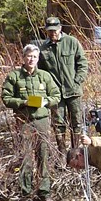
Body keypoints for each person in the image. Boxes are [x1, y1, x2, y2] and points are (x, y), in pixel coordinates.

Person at [1, 44, 61, 201]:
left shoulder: (45, 76)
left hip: (42, 121)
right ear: (23, 57)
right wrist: (22, 103)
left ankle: (44, 194)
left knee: (43, 157)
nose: (31, 59)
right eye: (28, 56)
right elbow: (6, 98)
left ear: (38, 58)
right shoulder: (14, 76)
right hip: (24, 122)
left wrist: (46, 101)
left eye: (34, 56)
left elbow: (56, 96)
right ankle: (26, 196)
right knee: (26, 158)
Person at [38, 16, 89, 151]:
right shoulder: (43, 49)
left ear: (60, 28)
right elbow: (41, 73)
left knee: (76, 122)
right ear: (46, 31)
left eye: (55, 30)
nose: (53, 33)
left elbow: (82, 64)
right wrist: (45, 89)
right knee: (58, 124)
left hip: (73, 91)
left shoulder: (72, 42)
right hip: (55, 94)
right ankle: (62, 154)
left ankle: (76, 152)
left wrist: (77, 81)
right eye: (50, 31)